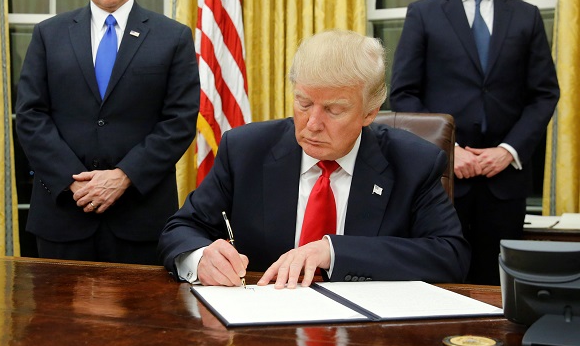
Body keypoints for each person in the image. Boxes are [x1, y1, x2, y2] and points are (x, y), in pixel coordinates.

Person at [158, 29, 470, 287]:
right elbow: (181, 228)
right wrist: (200, 258)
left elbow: (450, 255)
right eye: (304, 103)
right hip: (263, 323)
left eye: (334, 110)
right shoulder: (245, 150)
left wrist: (333, 251)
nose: (313, 123)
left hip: (365, 330)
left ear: (370, 113)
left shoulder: (414, 163)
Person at [15, 0, 199, 265]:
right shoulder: (48, 35)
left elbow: (179, 121)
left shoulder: (172, 38)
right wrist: (75, 183)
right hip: (63, 215)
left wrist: (123, 176)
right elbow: (30, 116)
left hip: (140, 219)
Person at [390, 0, 560, 285]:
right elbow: (403, 93)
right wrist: (449, 151)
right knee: (439, 281)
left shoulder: (526, 17)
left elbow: (544, 93)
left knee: (499, 286)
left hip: (505, 182)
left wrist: (508, 151)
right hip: (440, 180)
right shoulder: (424, 13)